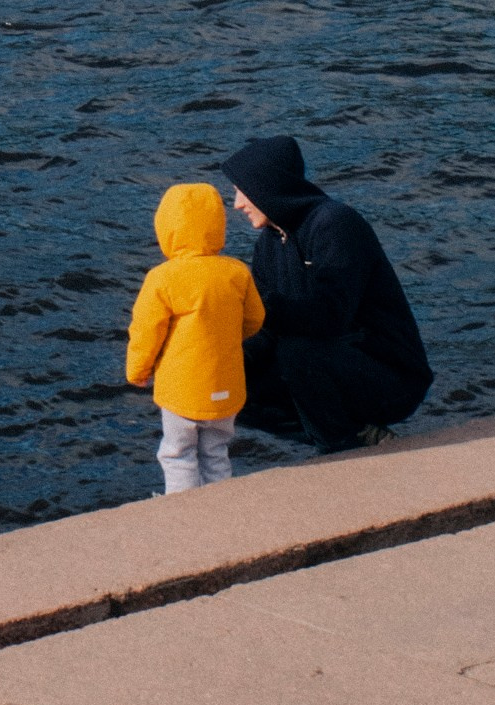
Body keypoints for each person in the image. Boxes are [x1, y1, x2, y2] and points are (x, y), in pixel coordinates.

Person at [221, 134, 431, 453]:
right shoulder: (267, 244)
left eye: (242, 191)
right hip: (331, 366)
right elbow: (267, 332)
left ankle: (341, 446)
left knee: (297, 351)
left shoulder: (335, 224)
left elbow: (331, 317)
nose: (236, 203)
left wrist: (259, 306)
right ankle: (351, 435)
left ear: (267, 185)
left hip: (390, 375)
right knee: (229, 385)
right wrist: (226, 362)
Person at [125, 182, 265, 491]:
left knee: (178, 453)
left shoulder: (162, 278)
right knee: (216, 452)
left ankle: (186, 513)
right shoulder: (236, 272)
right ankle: (219, 507)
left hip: (182, 389)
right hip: (225, 386)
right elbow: (255, 319)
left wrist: (138, 371)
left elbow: (146, 332)